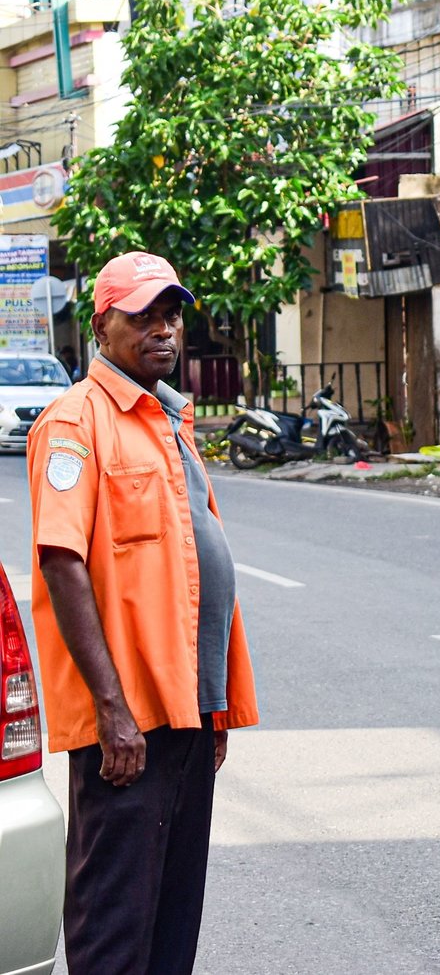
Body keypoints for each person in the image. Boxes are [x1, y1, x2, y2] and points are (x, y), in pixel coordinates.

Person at [27, 250, 259, 975]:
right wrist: (111, 710)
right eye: (143, 315)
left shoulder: (167, 422)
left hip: (189, 715)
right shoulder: (76, 422)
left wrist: (214, 708)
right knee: (113, 927)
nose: (163, 329)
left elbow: (189, 574)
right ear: (103, 327)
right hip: (127, 724)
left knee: (170, 924)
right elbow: (61, 560)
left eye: (171, 314)